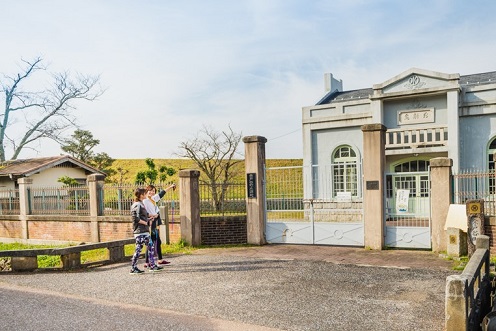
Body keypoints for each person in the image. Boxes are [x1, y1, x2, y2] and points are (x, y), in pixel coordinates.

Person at [130, 187, 163, 274]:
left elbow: (144, 215)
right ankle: (134, 268)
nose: (146, 194)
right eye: (145, 193)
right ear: (141, 195)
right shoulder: (136, 204)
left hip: (144, 231)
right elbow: (135, 218)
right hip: (140, 231)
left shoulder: (141, 204)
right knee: (138, 250)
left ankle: (152, 266)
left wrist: (150, 217)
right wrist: (146, 223)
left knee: (150, 247)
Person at [143, 183, 176, 267]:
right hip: (150, 222)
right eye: (150, 191)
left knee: (157, 241)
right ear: (147, 191)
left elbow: (162, 193)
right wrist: (152, 216)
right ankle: (147, 262)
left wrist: (171, 186)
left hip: (155, 222)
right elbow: (143, 212)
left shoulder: (153, 199)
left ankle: (160, 259)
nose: (152, 192)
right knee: (151, 242)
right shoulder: (145, 200)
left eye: (153, 191)